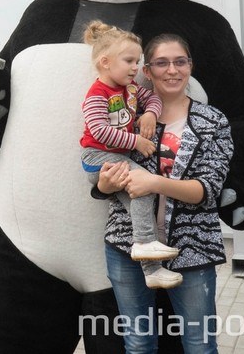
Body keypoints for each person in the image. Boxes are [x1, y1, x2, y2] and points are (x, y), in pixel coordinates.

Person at [95, 33, 233, 354]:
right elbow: (102, 182)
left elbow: (208, 190)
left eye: (180, 61)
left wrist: (154, 183)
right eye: (161, 63)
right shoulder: (126, 120)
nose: (172, 70)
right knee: (138, 344)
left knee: (199, 345)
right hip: (127, 247)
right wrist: (105, 184)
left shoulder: (213, 121)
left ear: (190, 67)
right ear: (147, 70)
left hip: (192, 249)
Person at [80, 20, 182, 289]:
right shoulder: (97, 94)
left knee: (141, 201)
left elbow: (154, 99)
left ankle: (152, 271)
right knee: (144, 186)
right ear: (105, 62)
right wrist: (136, 140)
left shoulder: (131, 90)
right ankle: (146, 244)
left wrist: (149, 113)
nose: (136, 68)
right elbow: (99, 131)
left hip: (115, 160)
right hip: (97, 158)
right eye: (129, 61)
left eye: (138, 61)